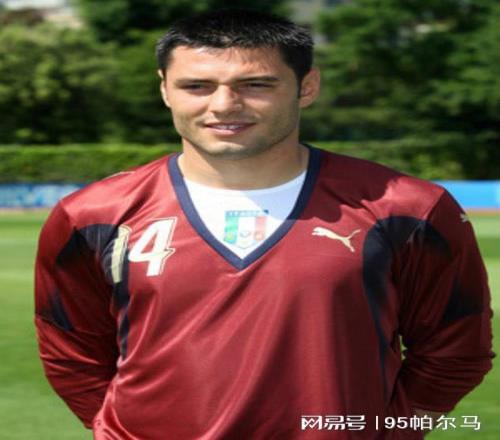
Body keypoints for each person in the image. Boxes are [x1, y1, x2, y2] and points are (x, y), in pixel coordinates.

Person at [35, 9, 494, 440]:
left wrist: (384, 433)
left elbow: (455, 351)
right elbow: (72, 357)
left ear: (307, 87)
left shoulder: (408, 209)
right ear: (165, 90)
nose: (224, 105)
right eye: (196, 86)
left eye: (255, 84)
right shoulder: (91, 215)